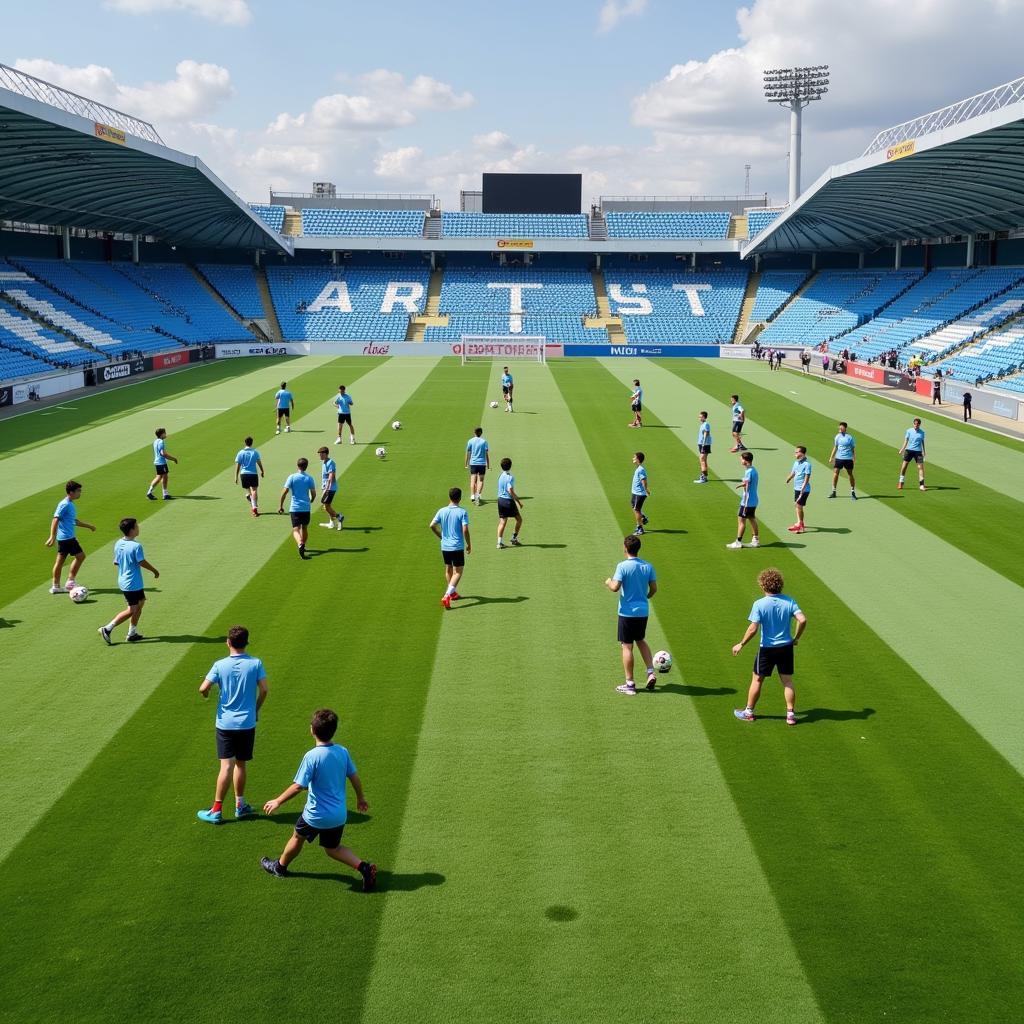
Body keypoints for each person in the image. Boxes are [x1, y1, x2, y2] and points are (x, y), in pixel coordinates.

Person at [260, 708, 377, 891]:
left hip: (315, 815)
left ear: (312, 730)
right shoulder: (342, 752)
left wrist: (278, 801)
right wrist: (360, 798)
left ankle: (279, 867)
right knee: (333, 849)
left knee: (297, 837)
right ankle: (364, 868)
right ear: (334, 730)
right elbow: (354, 777)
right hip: (338, 815)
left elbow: (299, 786)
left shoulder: (311, 756)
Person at [197, 625, 268, 824]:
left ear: (228, 642)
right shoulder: (256, 663)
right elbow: (264, 690)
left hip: (225, 723)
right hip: (247, 722)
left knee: (226, 766)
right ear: (246, 643)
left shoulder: (220, 665)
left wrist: (206, 693)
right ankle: (240, 805)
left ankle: (217, 810)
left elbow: (203, 688)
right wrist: (256, 709)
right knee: (241, 764)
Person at [732, 567, 807, 726]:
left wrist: (741, 644)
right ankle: (790, 715)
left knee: (757, 680)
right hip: (786, 647)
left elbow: (753, 628)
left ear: (763, 586)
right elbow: (802, 620)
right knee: (787, 681)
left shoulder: (759, 604)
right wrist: (796, 638)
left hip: (767, 649)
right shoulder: (790, 601)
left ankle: (749, 712)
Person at [604, 534, 658, 696]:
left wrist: (607, 582)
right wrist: (644, 598)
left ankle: (630, 684)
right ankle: (650, 672)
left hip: (627, 612)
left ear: (625, 548)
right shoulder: (648, 566)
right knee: (640, 640)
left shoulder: (622, 566)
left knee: (627, 646)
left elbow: (615, 587)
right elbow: (654, 589)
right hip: (643, 611)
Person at [98, 517, 159, 645]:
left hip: (125, 580)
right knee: (132, 609)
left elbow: (116, 561)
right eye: (137, 526)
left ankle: (132, 633)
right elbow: (141, 562)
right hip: (132, 582)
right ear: (131, 530)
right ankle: (107, 628)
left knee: (141, 603)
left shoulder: (119, 543)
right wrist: (154, 570)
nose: (138, 528)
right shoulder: (136, 546)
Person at [46, 480, 96, 594]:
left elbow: (74, 521)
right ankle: (70, 582)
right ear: (71, 492)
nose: (80, 493)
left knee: (60, 561)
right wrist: (52, 536)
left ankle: (56, 586)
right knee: (80, 556)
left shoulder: (70, 504)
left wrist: (89, 526)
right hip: (67, 538)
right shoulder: (65, 504)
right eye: (78, 491)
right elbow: (55, 519)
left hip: (65, 538)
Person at [430, 486, 470, 610]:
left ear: (449, 497)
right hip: (457, 546)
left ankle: (452, 593)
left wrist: (441, 537)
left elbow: (432, 525)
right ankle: (447, 595)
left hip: (445, 546)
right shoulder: (462, 512)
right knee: (458, 571)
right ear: (460, 498)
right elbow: (465, 530)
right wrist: (469, 544)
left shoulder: (441, 511)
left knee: (448, 569)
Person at [278, 457, 317, 558]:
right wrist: (311, 500)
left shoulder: (292, 477)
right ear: (306, 466)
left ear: (297, 465)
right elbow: (313, 493)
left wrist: (281, 506)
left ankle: (300, 543)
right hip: (306, 507)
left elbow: (284, 492)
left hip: (295, 508)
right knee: (304, 527)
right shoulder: (309, 478)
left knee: (296, 529)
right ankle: (303, 545)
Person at [727, 451, 760, 549]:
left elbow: (747, 484)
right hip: (753, 500)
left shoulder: (749, 472)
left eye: (741, 459)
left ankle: (738, 542)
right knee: (751, 518)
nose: (740, 461)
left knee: (741, 520)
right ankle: (755, 540)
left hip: (747, 501)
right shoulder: (753, 470)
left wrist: (741, 485)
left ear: (745, 460)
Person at [496, 457, 524, 548]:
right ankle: (514, 538)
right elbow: (510, 490)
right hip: (508, 501)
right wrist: (519, 502)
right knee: (519, 519)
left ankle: (499, 542)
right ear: (510, 466)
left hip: (500, 500)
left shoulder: (500, 475)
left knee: (502, 522)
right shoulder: (510, 477)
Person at [234, 436, 264, 517]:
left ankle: (250, 499)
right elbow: (259, 462)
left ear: (245, 443)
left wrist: (236, 476)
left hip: (243, 474)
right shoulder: (255, 452)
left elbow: (238, 465)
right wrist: (262, 471)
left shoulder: (240, 452)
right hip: (253, 474)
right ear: (252, 443)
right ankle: (254, 507)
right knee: (254, 490)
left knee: (248, 491)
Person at [785, 446, 812, 534]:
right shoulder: (796, 463)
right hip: (796, 488)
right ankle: (800, 524)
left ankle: (800, 525)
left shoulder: (807, 464)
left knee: (798, 505)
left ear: (802, 453)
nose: (795, 454)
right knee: (798, 506)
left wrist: (803, 488)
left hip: (803, 489)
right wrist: (789, 478)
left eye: (797, 452)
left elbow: (807, 478)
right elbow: (794, 472)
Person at [316, 446, 344, 530]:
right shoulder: (324, 462)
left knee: (326, 506)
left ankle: (339, 516)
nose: (320, 456)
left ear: (325, 454)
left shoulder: (330, 462)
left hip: (330, 489)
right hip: (327, 488)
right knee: (327, 506)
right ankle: (331, 523)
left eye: (321, 454)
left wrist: (327, 489)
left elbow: (331, 476)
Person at [146, 427, 178, 501]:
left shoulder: (155, 441)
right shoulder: (161, 442)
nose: (165, 434)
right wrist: (173, 458)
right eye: (165, 433)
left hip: (157, 462)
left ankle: (152, 492)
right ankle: (164, 494)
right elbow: (163, 453)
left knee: (160, 477)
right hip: (161, 463)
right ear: (162, 434)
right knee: (163, 477)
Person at [828, 422, 857, 499]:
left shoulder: (850, 438)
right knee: (835, 473)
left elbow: (853, 448)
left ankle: (853, 492)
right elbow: (835, 447)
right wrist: (831, 457)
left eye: (841, 428)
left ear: (845, 428)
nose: (839, 429)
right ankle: (834, 491)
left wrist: (854, 458)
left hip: (848, 459)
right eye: (839, 427)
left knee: (850, 474)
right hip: (839, 458)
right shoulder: (837, 437)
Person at [898, 417, 927, 491]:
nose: (916, 425)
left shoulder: (922, 433)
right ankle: (901, 481)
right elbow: (906, 441)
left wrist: (924, 451)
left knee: (920, 467)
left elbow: (922, 442)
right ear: (913, 424)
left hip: (918, 452)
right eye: (915, 424)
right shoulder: (909, 431)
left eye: (917, 424)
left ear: (919, 425)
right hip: (909, 451)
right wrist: (902, 449)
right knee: (904, 466)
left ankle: (921, 485)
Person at [465, 427, 490, 505]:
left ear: (474, 432)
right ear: (481, 433)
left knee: (473, 480)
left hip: (473, 463)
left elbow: (468, 453)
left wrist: (466, 463)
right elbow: (486, 454)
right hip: (482, 464)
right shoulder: (484, 442)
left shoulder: (470, 441)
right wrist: (488, 464)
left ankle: (472, 495)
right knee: (481, 480)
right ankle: (478, 495)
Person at [630, 451, 650, 536]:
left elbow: (644, 481)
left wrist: (646, 490)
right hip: (635, 492)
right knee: (634, 508)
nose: (632, 459)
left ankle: (640, 528)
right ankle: (643, 518)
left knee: (637, 510)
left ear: (638, 459)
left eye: (634, 457)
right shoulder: (638, 468)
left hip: (639, 494)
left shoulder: (641, 469)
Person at [694, 411, 711, 484]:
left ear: (704, 417)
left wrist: (703, 444)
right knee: (704, 460)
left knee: (702, 460)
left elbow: (706, 434)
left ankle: (703, 477)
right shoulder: (703, 424)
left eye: (700, 417)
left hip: (704, 444)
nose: (699, 418)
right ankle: (705, 476)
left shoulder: (706, 424)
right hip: (702, 444)